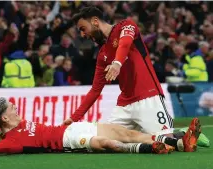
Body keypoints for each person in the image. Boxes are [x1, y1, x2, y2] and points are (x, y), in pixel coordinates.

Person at [62, 7, 208, 147]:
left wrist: (117, 63)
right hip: (124, 106)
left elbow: (124, 44)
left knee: (165, 142)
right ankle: (178, 134)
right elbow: (95, 90)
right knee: (107, 142)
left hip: (148, 97)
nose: (83, 35)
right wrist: (73, 118)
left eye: (83, 29)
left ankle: (183, 134)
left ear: (95, 21)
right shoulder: (102, 55)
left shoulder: (126, 26)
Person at [0, 82, 201, 156]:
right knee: (106, 144)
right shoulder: (13, 139)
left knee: (126, 132)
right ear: (6, 117)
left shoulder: (17, 121)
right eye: (10, 106)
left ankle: (180, 143)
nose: (15, 106)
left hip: (74, 128)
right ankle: (150, 149)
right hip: (70, 143)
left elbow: (0, 112)